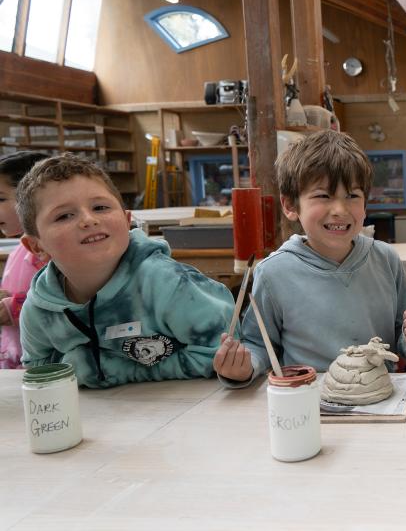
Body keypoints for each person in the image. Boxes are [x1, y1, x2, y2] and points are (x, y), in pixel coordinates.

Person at [214, 130, 406, 386]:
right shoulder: (273, 272)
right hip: (308, 400)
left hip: (377, 396)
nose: (339, 210)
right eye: (322, 196)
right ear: (290, 206)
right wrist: (243, 367)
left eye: (352, 196)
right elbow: (259, 345)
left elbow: (405, 347)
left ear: (365, 204)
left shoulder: (385, 259)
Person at [17, 154, 234, 387]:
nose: (88, 220)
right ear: (36, 246)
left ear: (126, 218)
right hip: (96, 416)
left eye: (100, 207)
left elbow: (221, 352)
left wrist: (111, 370)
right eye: (64, 216)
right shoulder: (40, 310)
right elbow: (39, 370)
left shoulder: (169, 284)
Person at [0, 151, 49, 369]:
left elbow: (70, 302)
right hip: (15, 360)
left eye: (0, 199)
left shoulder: (50, 251)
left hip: (44, 367)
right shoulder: (20, 249)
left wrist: (12, 307)